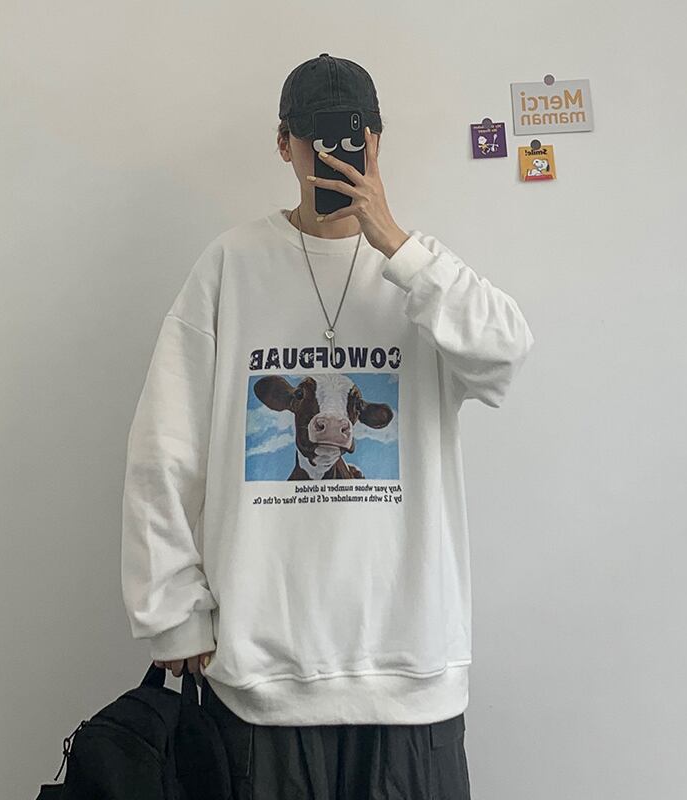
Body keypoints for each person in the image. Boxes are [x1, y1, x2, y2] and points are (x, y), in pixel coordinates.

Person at [121, 53, 534, 799]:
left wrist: (397, 245)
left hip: (412, 676)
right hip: (261, 682)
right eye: (315, 137)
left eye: (352, 136)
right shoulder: (231, 265)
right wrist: (172, 611)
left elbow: (505, 355)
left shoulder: (421, 273)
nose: (332, 154)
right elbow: (165, 446)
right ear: (285, 144)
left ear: (376, 142)